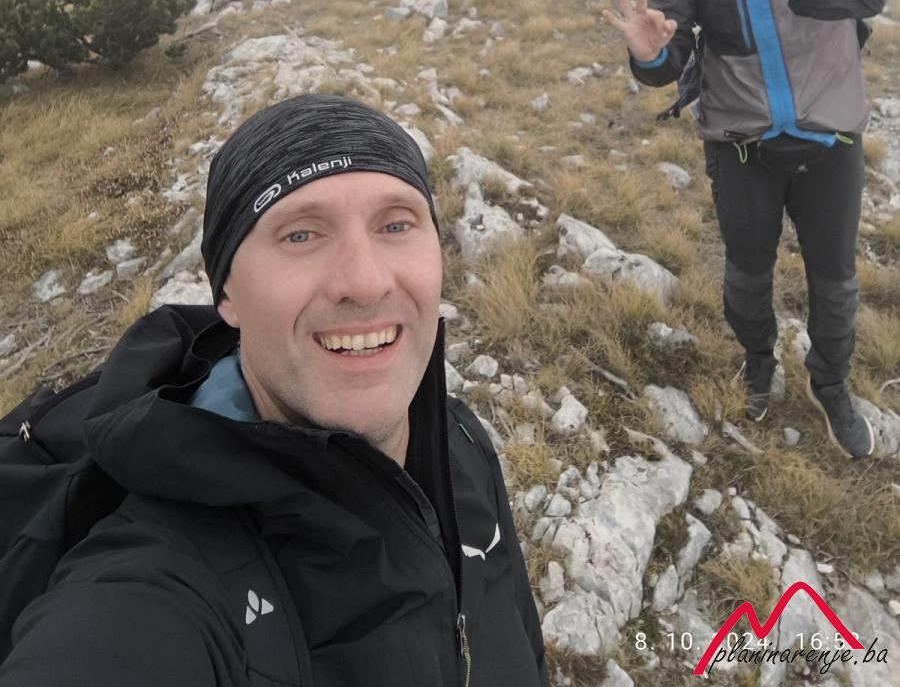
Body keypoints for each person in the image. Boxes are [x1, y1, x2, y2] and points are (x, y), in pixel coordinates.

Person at [1, 94, 548, 686]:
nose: (364, 282)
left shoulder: (459, 438)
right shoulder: (150, 591)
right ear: (227, 294)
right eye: (301, 235)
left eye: (396, 225)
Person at [603, 0, 890, 459]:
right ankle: (759, 360)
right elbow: (669, 56)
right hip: (741, 146)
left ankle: (829, 383)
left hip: (830, 141)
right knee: (747, 272)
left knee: (835, 280)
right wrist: (650, 55)